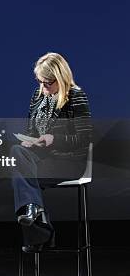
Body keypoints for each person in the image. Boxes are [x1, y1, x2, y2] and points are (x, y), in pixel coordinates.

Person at [11, 52, 92, 252]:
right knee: (17, 150)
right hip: (42, 157)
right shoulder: (37, 97)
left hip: (68, 162)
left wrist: (54, 140)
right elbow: (31, 130)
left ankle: (40, 231)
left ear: (61, 77)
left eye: (48, 83)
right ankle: (36, 217)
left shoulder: (76, 96)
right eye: (40, 82)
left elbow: (84, 138)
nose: (44, 88)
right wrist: (30, 141)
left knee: (22, 176)